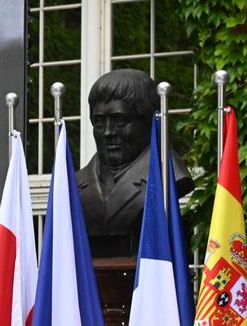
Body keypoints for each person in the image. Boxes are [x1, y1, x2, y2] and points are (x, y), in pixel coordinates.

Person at [78, 69, 194, 257]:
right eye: (99, 122)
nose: (108, 132)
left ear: (148, 122)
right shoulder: (75, 185)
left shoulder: (168, 173)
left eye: (120, 121)